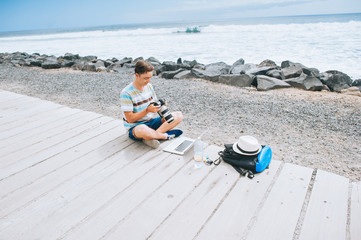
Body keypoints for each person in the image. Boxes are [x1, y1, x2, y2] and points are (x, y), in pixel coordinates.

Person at [120, 60, 183, 148]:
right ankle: (164, 136)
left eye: (150, 78)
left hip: (151, 122)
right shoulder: (126, 93)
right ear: (137, 75)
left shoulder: (149, 87)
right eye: (146, 78)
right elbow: (130, 119)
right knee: (142, 129)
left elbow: (154, 104)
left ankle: (151, 136)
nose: (148, 81)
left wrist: (161, 106)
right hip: (136, 127)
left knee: (178, 115)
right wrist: (147, 110)